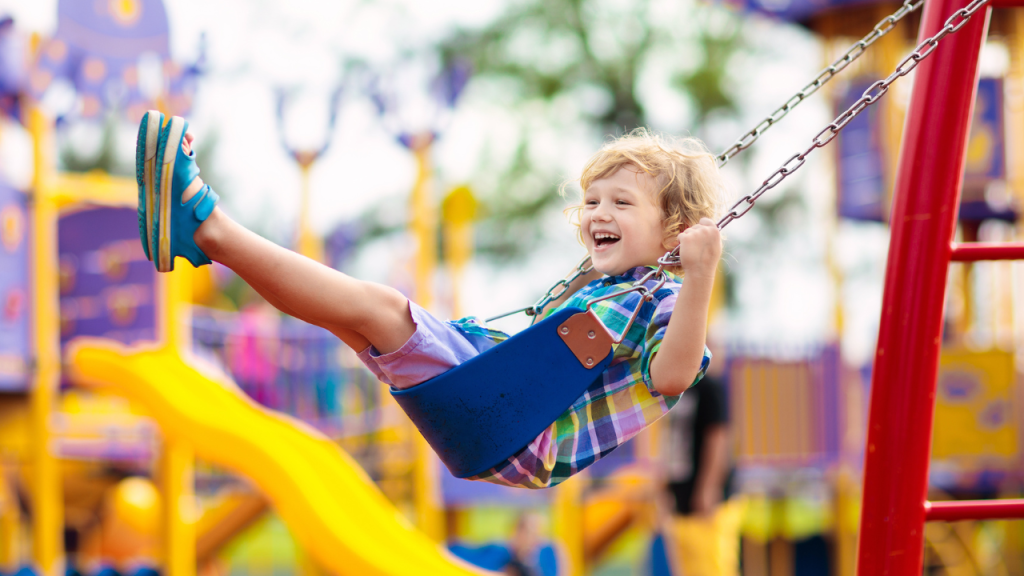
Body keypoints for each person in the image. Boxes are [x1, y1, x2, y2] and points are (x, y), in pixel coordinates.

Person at [136, 112, 724, 489]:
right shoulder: (608, 291)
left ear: (675, 232)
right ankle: (201, 240)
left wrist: (699, 277)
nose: (599, 213)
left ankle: (208, 226)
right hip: (495, 409)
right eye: (592, 201)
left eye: (622, 203)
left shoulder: (667, 300)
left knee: (378, 309)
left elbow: (672, 376)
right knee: (349, 316)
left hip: (517, 429)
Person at [661, 366, 744, 576]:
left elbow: (719, 437)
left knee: (713, 566)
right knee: (687, 566)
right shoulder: (674, 390)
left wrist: (709, 487)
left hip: (706, 498)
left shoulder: (710, 387)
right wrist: (665, 485)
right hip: (682, 493)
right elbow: (671, 441)